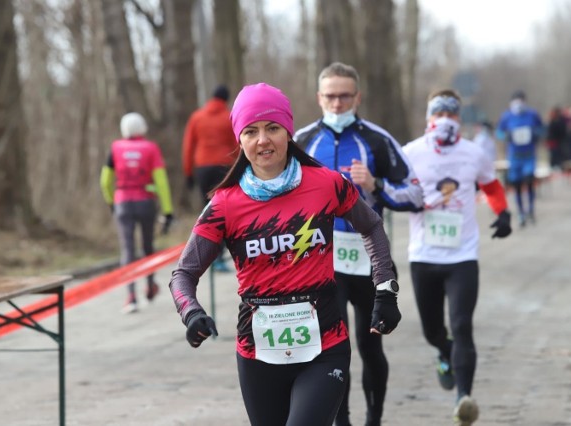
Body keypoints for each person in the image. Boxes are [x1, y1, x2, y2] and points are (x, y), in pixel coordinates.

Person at [169, 83, 402, 426]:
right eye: (251, 131)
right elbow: (183, 274)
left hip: (324, 346)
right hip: (258, 353)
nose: (263, 140)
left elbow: (371, 226)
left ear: (288, 132)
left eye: (272, 128)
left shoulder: (327, 184)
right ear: (240, 140)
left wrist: (385, 288)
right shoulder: (224, 204)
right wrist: (191, 313)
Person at [295, 61, 423, 426]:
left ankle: (374, 420)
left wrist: (375, 186)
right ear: (319, 98)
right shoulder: (302, 142)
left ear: (357, 97)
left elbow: (415, 195)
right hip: (321, 264)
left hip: (369, 262)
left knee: (370, 347)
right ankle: (342, 421)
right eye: (331, 96)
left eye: (345, 96)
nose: (337, 104)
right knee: (333, 351)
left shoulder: (377, 139)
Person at [402, 89, 512, 426]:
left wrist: (503, 213)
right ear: (428, 118)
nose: (446, 120)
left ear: (459, 119)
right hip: (423, 254)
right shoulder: (409, 153)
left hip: (463, 255)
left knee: (462, 325)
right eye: (440, 113)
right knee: (434, 331)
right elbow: (396, 190)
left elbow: (491, 186)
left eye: (452, 114)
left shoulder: (473, 152)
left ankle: (463, 398)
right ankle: (444, 352)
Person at [100, 112, 174, 314]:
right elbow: (161, 182)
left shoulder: (115, 148)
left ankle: (131, 296)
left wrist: (111, 202)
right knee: (148, 245)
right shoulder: (151, 149)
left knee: (127, 250)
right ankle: (150, 286)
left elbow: (105, 181)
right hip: (146, 203)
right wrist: (168, 211)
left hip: (122, 203)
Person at [182, 84, 238, 272]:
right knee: (223, 211)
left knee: (207, 211)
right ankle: (219, 257)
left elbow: (189, 146)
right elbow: (236, 144)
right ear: (225, 99)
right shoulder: (228, 117)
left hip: (202, 167)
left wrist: (188, 172)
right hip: (224, 166)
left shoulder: (196, 117)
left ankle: (206, 255)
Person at [495, 90, 543, 227]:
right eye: (516, 101)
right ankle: (521, 213)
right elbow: (498, 132)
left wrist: (536, 134)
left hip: (529, 155)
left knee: (529, 181)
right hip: (514, 157)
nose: (519, 104)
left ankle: (531, 210)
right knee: (516, 185)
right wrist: (506, 136)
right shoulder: (506, 116)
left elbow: (542, 128)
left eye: (521, 100)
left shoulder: (532, 114)